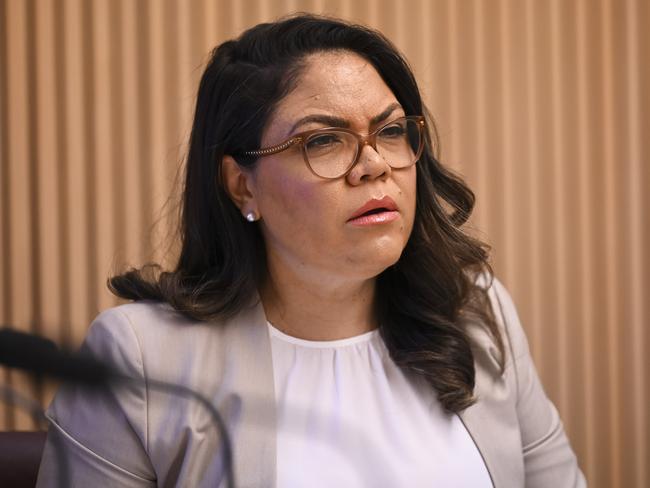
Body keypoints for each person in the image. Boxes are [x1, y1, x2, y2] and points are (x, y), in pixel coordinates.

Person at [36, 13, 586, 488]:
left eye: (391, 132)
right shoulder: (141, 360)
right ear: (242, 186)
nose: (375, 165)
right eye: (323, 141)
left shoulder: (475, 312)